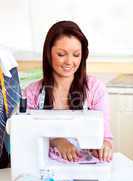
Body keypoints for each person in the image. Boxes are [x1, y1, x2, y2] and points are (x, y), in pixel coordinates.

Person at [24, 20, 113, 162]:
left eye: (76, 55)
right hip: (44, 172)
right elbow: (27, 135)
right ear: (49, 53)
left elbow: (105, 136)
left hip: (84, 170)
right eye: (61, 54)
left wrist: (104, 146)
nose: (69, 62)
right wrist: (57, 141)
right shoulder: (32, 93)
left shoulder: (95, 89)